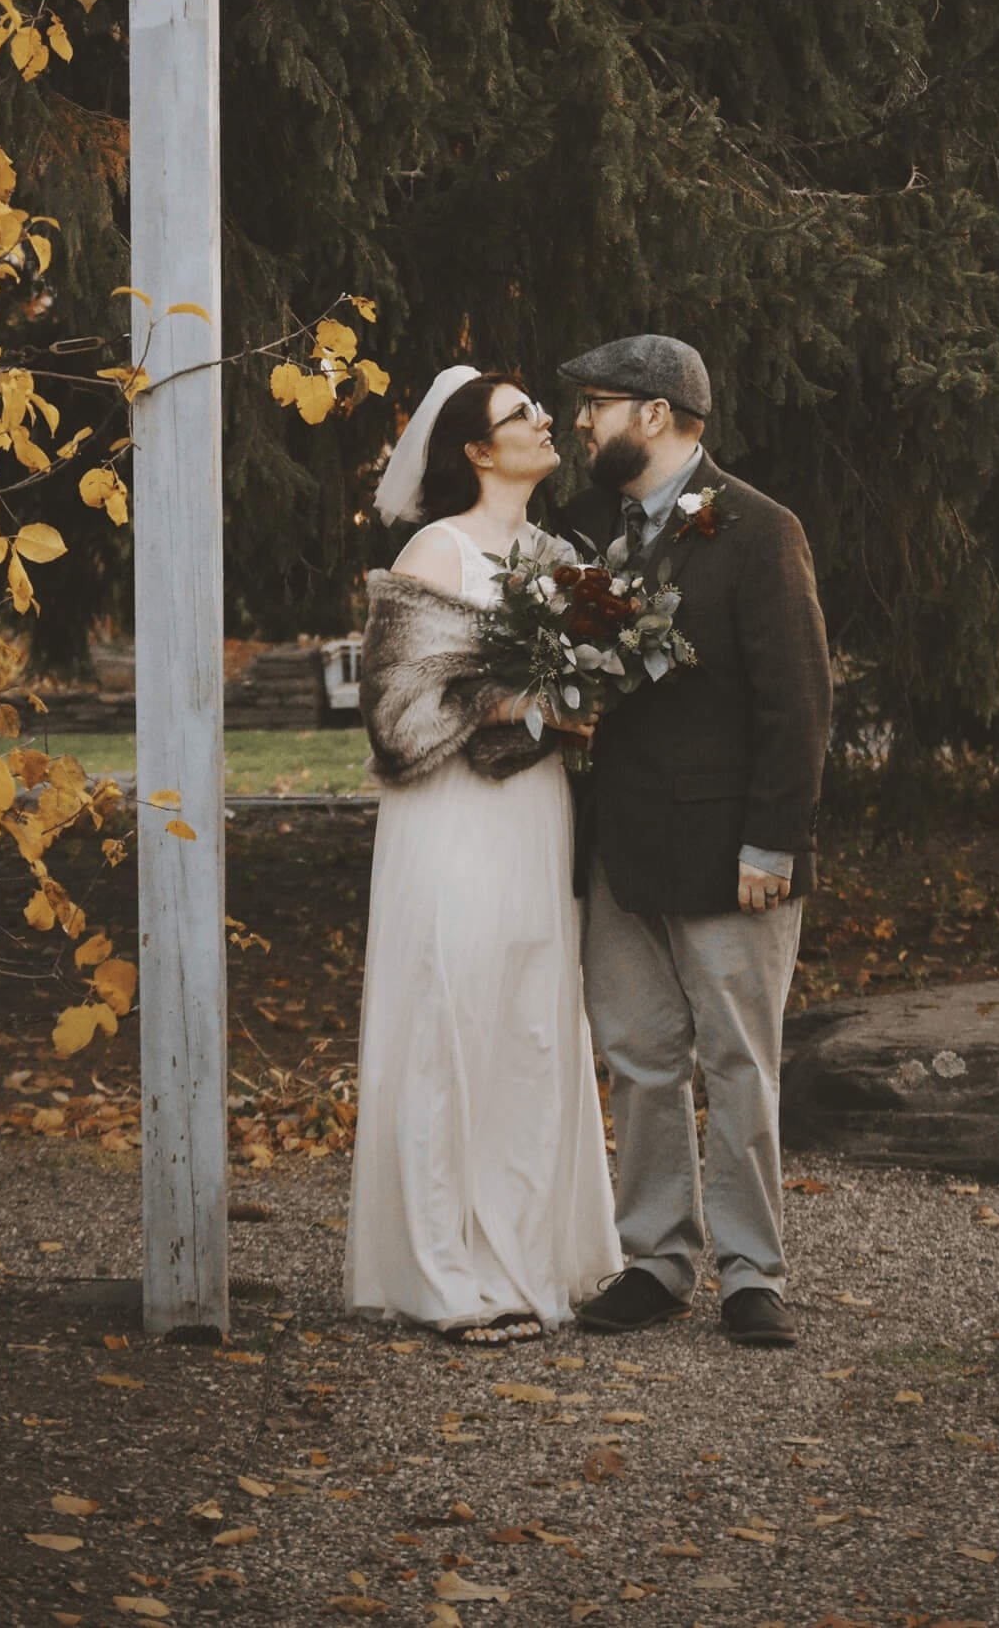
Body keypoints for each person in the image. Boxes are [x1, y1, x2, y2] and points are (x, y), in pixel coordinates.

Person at [558, 333, 832, 1349]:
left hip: (731, 852)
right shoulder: (582, 530)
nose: (581, 424)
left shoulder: (759, 529)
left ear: (658, 413)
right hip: (620, 847)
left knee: (737, 1062)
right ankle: (657, 1260)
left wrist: (774, 840)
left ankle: (752, 1271)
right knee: (637, 1056)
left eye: (597, 405)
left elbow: (799, 697)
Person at [343, 365, 621, 1345]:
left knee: (530, 1028)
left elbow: (590, 684)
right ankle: (443, 1274)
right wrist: (520, 706)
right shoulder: (437, 549)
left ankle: (527, 1256)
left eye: (542, 411)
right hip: (450, 817)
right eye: (522, 415)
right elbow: (396, 712)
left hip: (535, 813)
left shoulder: (558, 553)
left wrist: (578, 705)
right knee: (446, 1024)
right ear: (475, 449)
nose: (547, 422)